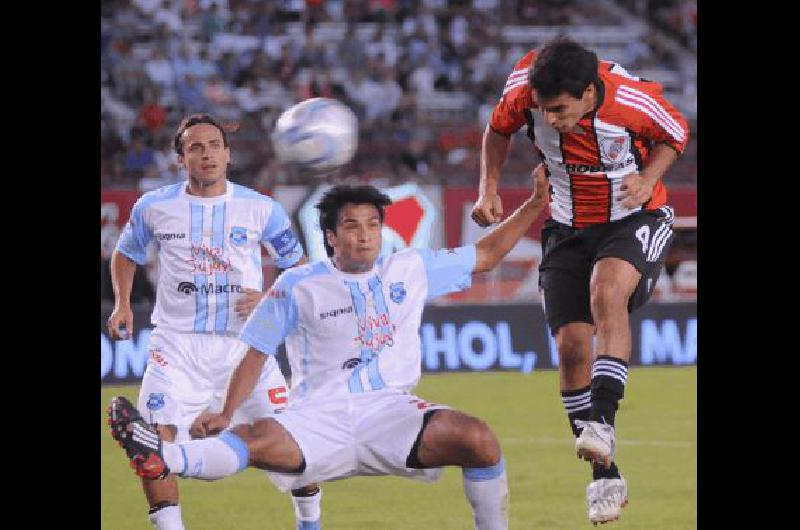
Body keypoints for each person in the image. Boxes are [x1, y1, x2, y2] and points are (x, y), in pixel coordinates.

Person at [109, 168, 551, 530]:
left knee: (478, 438)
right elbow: (256, 352)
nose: (365, 236)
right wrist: (226, 412)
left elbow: (488, 254)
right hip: (319, 416)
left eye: (374, 225)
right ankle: (160, 456)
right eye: (352, 227)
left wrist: (533, 203)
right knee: (253, 439)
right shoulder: (297, 285)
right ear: (330, 238)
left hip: (390, 412)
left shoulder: (411, 267)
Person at [470, 37, 689, 524]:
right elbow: (496, 129)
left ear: (590, 93)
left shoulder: (633, 100)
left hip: (634, 219)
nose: (549, 119)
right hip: (567, 224)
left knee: (606, 291)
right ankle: (605, 478)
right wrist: (488, 187)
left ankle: (604, 423)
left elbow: (676, 132)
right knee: (571, 347)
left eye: (560, 110)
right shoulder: (523, 89)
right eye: (544, 110)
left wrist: (650, 177)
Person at [106, 113, 323, 530]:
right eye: (195, 148)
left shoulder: (262, 209)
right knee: (154, 443)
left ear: (228, 154)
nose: (206, 154)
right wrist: (123, 304)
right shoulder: (154, 207)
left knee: (293, 446)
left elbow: (299, 269)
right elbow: (125, 253)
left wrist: (269, 296)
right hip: (176, 346)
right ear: (180, 159)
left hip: (246, 348)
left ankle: (309, 523)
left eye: (213, 146)